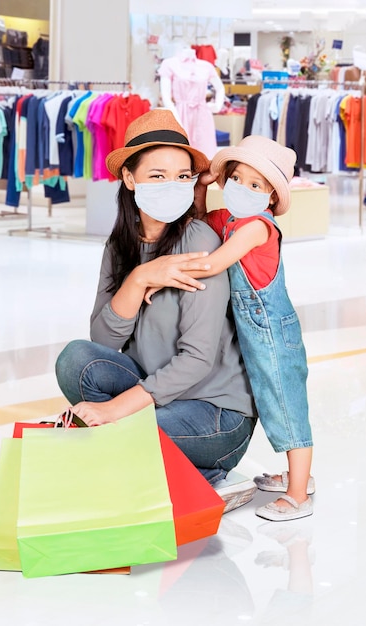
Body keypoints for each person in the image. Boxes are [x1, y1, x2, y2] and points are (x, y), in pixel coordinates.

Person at [55, 109, 258, 513]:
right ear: (130, 179)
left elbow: (197, 360)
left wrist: (114, 409)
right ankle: (158, 466)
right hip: (161, 394)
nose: (174, 186)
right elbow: (104, 340)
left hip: (215, 411)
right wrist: (140, 278)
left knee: (126, 429)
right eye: (158, 175)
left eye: (183, 176)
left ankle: (210, 475)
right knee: (74, 359)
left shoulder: (199, 240)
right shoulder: (120, 246)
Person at [147, 135, 314, 522]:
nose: (243, 189)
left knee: (286, 407)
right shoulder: (231, 218)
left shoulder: (257, 227)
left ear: (271, 196)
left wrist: (161, 277)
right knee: (270, 404)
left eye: (256, 185)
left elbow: (211, 263)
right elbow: (201, 221)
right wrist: (202, 185)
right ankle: (298, 476)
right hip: (253, 332)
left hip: (273, 333)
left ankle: (299, 493)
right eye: (237, 179)